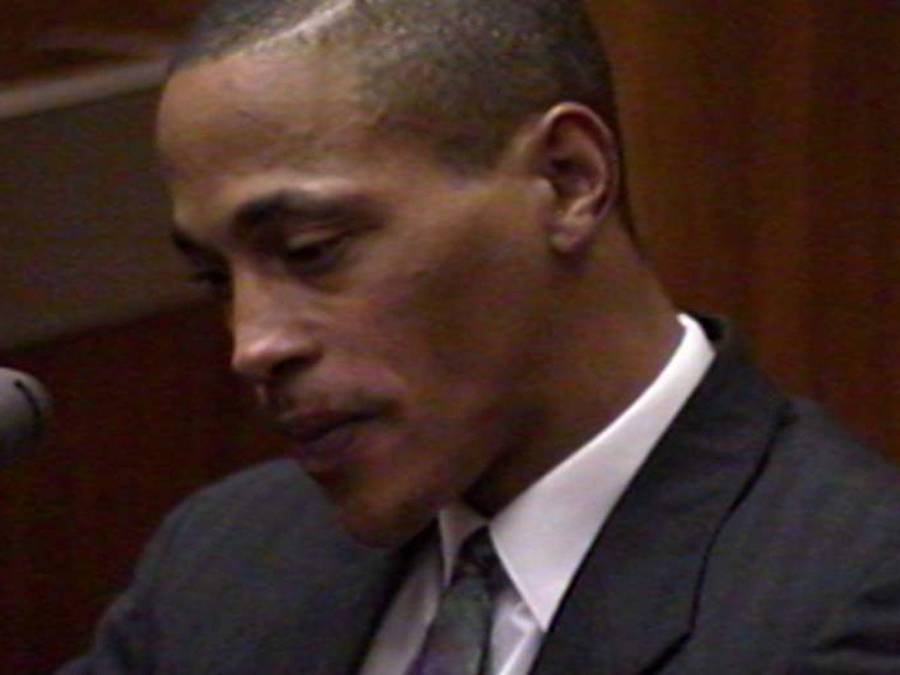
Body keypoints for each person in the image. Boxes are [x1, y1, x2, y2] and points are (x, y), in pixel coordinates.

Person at [61, 1, 900, 673]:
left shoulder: (852, 598)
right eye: (217, 280)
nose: (252, 344)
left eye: (313, 250)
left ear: (568, 179)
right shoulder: (225, 557)